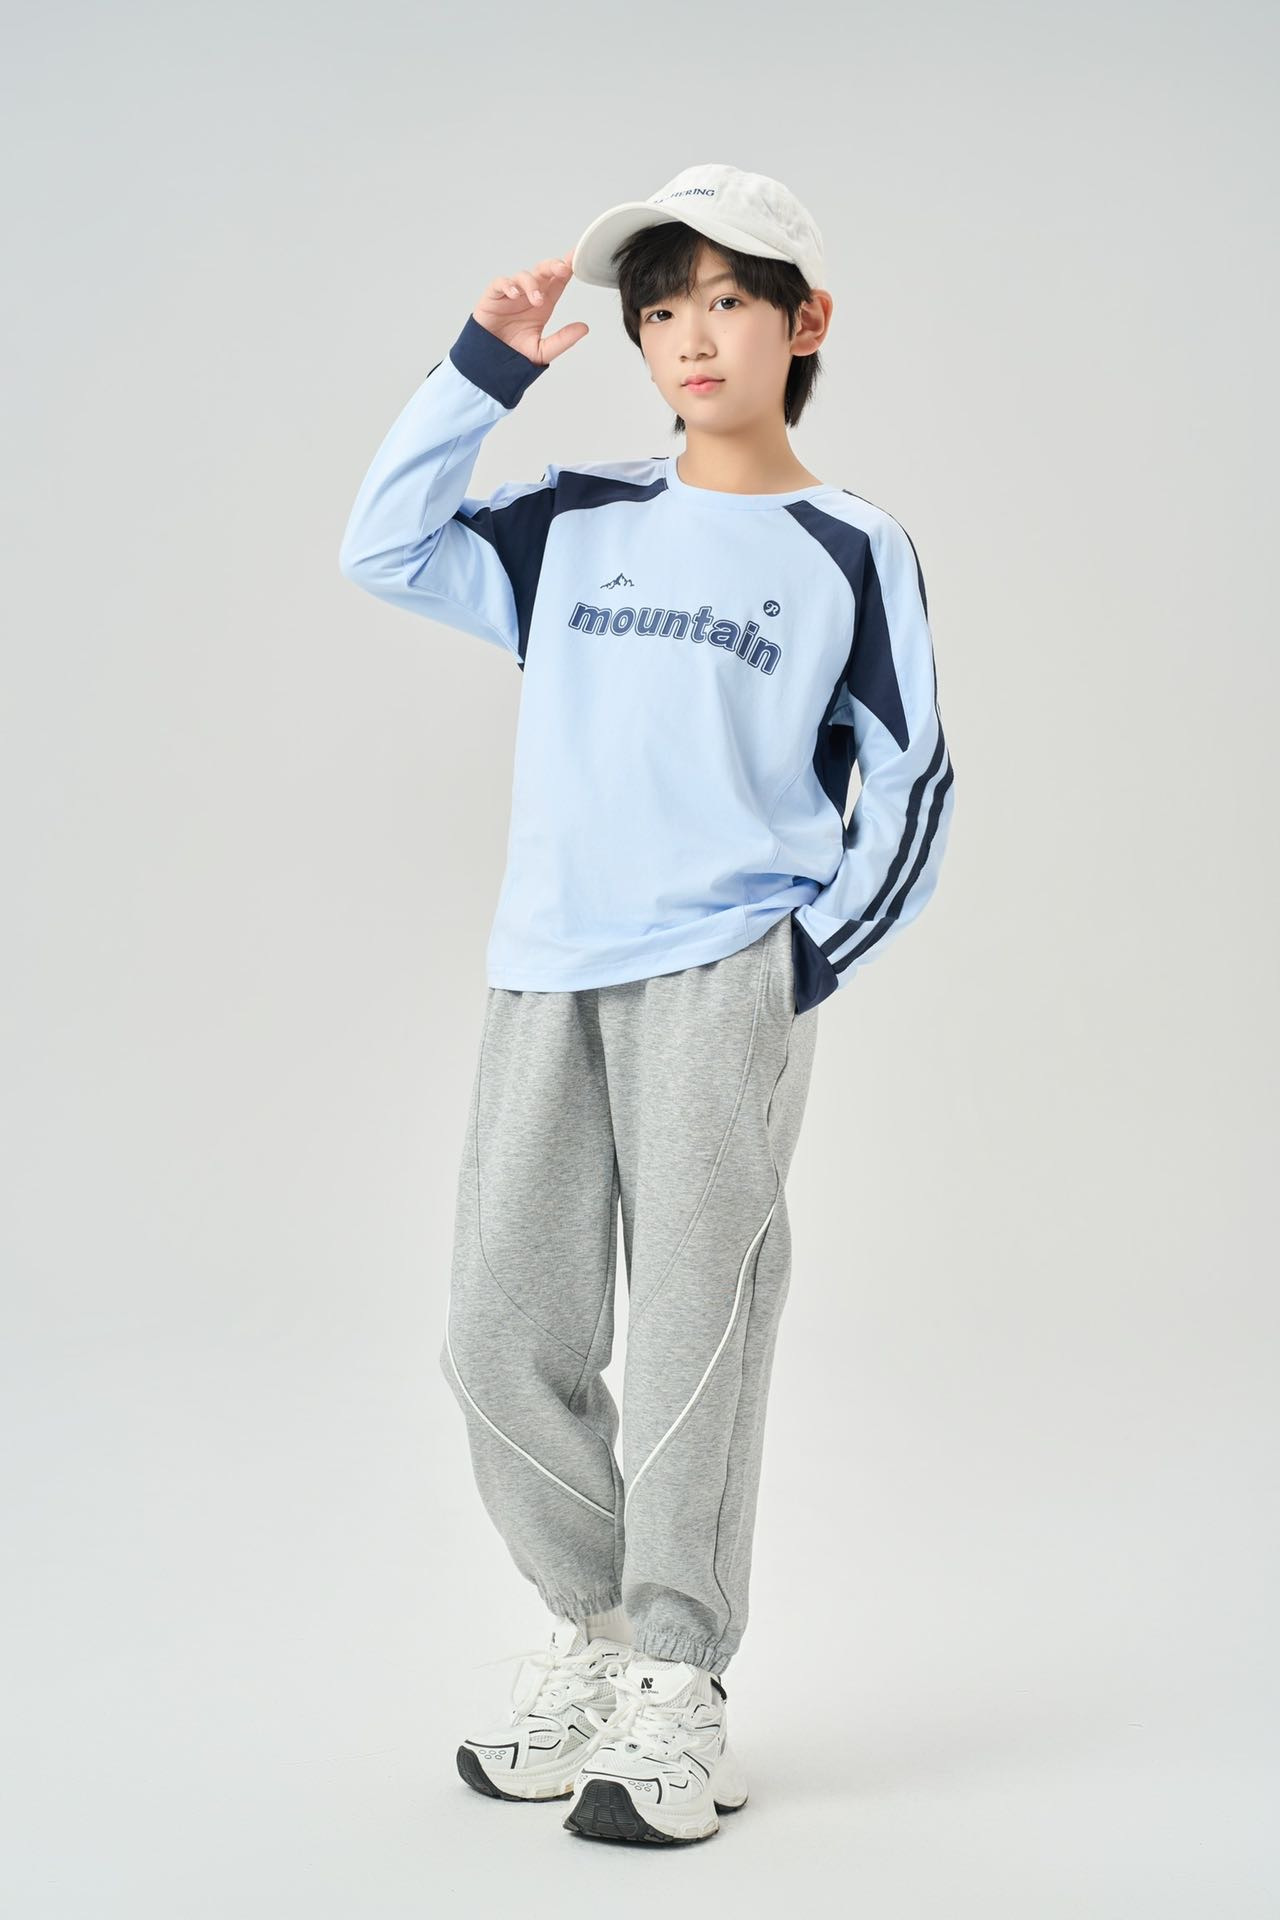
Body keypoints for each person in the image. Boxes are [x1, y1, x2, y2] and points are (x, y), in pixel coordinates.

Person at [338, 162, 957, 1846]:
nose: (690, 334)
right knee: (497, 1341)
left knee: (694, 1336)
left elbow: (911, 778)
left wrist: (798, 962)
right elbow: (382, 545)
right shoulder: (576, 520)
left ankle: (680, 1689)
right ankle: (600, 1632)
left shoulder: (849, 547)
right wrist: (482, 369)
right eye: (663, 306)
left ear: (804, 325)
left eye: (728, 301)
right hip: (544, 970)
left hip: (719, 984)